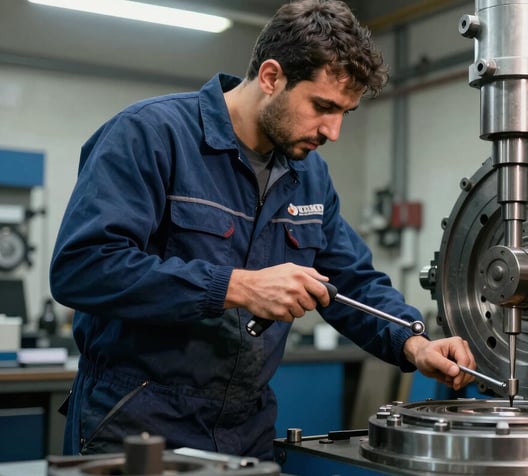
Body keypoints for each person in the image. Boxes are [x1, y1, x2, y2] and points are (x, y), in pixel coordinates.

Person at [49, 0, 476, 461]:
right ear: (271, 77)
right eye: (322, 106)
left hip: (245, 428)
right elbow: (83, 266)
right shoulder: (150, 136)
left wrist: (413, 341)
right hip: (139, 424)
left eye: (344, 114)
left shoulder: (308, 176)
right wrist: (236, 286)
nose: (332, 131)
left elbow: (351, 281)